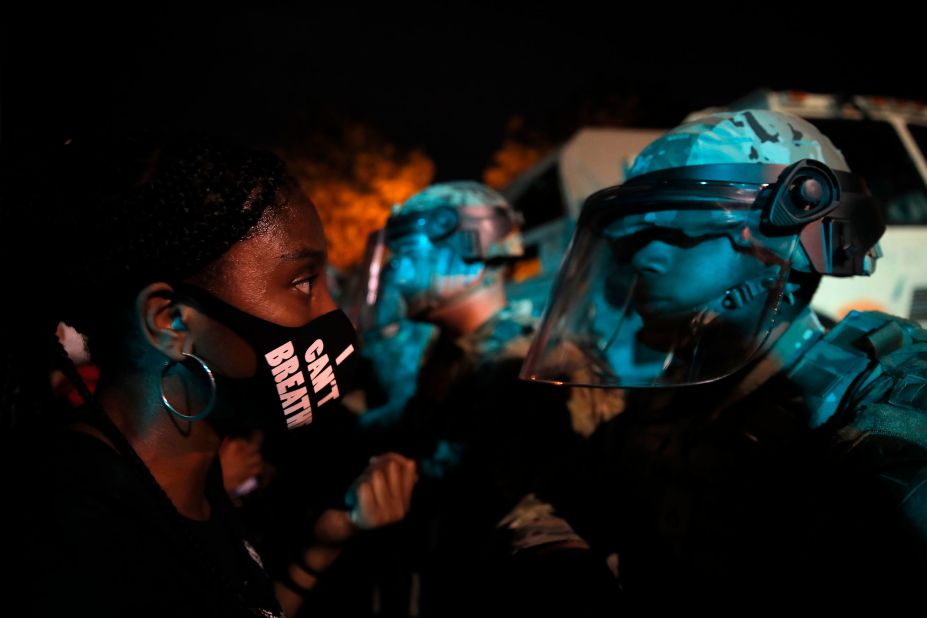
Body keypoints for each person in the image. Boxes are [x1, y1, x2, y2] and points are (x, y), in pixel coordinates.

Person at [509, 109, 927, 608]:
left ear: (776, 237)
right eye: (632, 234)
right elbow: (557, 498)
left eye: (672, 228)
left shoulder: (889, 409)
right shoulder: (687, 389)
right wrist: (561, 563)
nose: (639, 257)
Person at [3, 136, 417, 617]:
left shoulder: (190, 477)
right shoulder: (70, 533)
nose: (331, 313)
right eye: (302, 283)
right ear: (172, 322)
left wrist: (320, 551)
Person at [357, 182, 603, 615]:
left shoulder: (531, 363)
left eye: (409, 253)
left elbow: (534, 510)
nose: (397, 270)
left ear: (470, 253)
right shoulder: (449, 352)